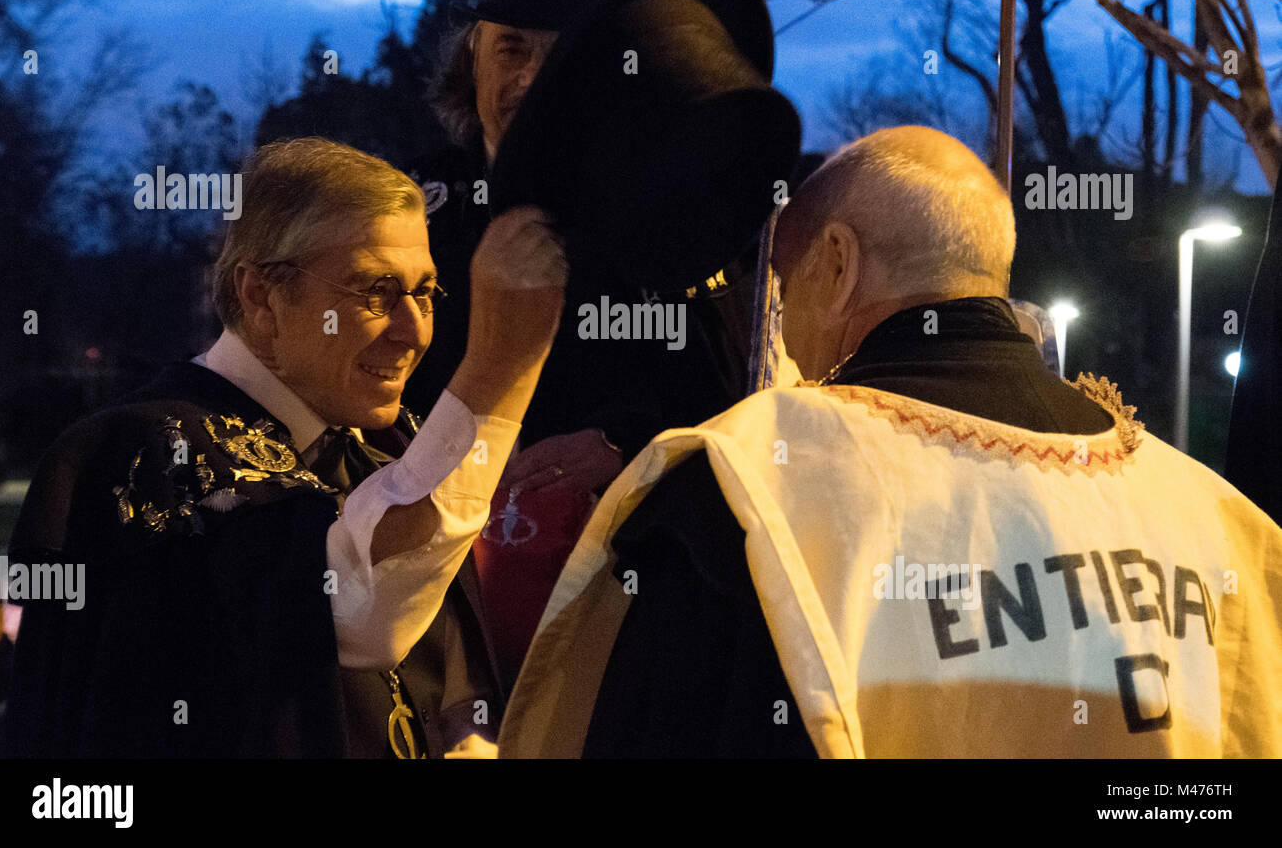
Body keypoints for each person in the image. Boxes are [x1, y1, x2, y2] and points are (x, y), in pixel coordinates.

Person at [498, 126, 1282, 758]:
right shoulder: (1215, 516)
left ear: (837, 264)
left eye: (786, 289)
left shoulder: (746, 489)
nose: (787, 337)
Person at [3, 137, 566, 757]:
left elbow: (455, 702)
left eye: (426, 292)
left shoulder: (388, 446)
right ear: (261, 296)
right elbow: (352, 614)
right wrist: (499, 368)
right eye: (374, 290)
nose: (414, 332)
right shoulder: (144, 453)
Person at [408, 0, 775, 688]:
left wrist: (625, 447)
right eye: (511, 49)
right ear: (472, 53)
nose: (531, 81)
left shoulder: (673, 216)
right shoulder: (411, 216)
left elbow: (745, 409)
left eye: (559, 56)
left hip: (629, 629)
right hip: (434, 617)